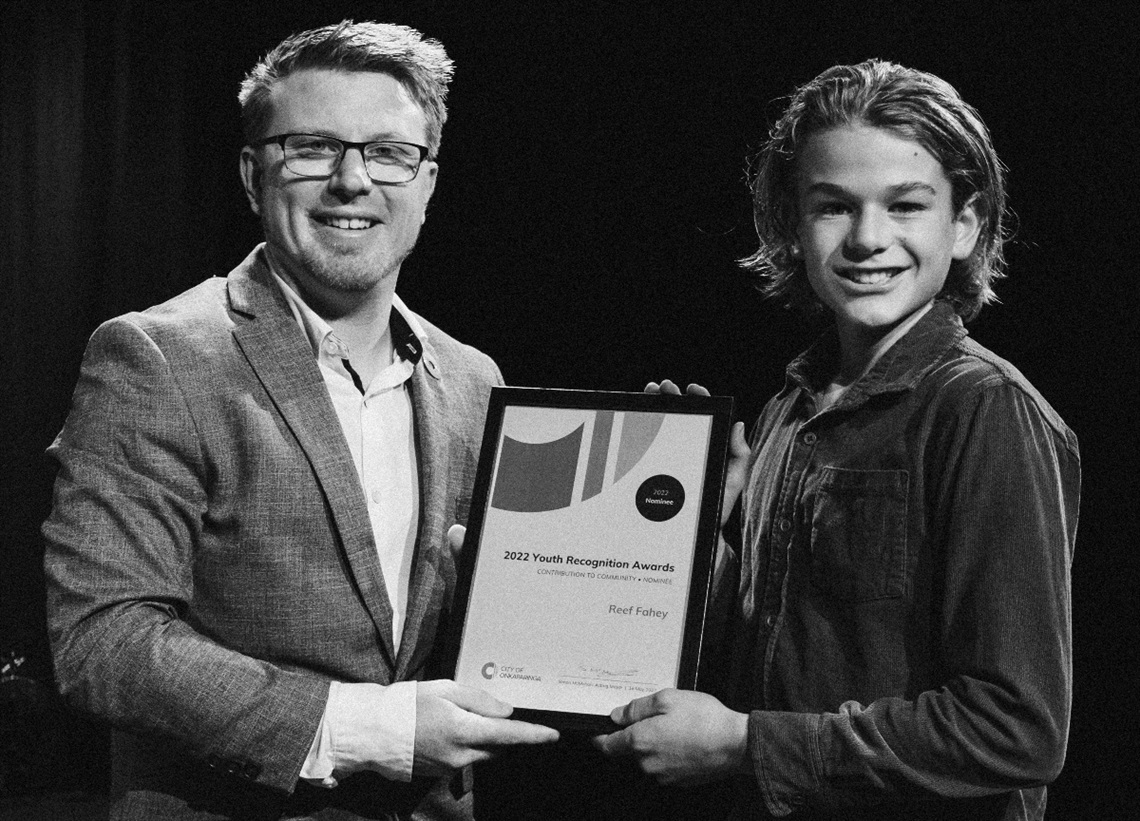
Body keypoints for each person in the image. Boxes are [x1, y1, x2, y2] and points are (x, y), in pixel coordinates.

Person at [42, 20, 557, 821]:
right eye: (313, 147)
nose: (353, 181)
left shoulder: (474, 378)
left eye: (389, 152)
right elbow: (103, 642)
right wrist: (375, 728)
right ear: (254, 174)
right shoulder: (154, 356)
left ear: (427, 182)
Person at [597, 59, 1080, 820]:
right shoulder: (793, 403)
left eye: (906, 205)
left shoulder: (984, 410)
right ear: (789, 223)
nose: (867, 238)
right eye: (833, 207)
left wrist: (746, 744)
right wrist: (699, 540)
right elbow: (793, 645)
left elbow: (1016, 728)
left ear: (965, 223)